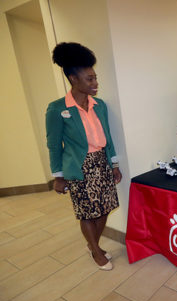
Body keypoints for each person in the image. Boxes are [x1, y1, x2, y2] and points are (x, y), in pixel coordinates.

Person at [46, 42, 121, 271]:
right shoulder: (57, 109)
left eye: (95, 77)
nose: (95, 83)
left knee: (106, 207)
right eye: (89, 79)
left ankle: (92, 245)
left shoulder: (100, 105)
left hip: (101, 162)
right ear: (73, 79)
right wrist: (58, 176)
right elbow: (53, 144)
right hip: (79, 167)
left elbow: (107, 135)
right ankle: (96, 251)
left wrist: (114, 164)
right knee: (87, 212)